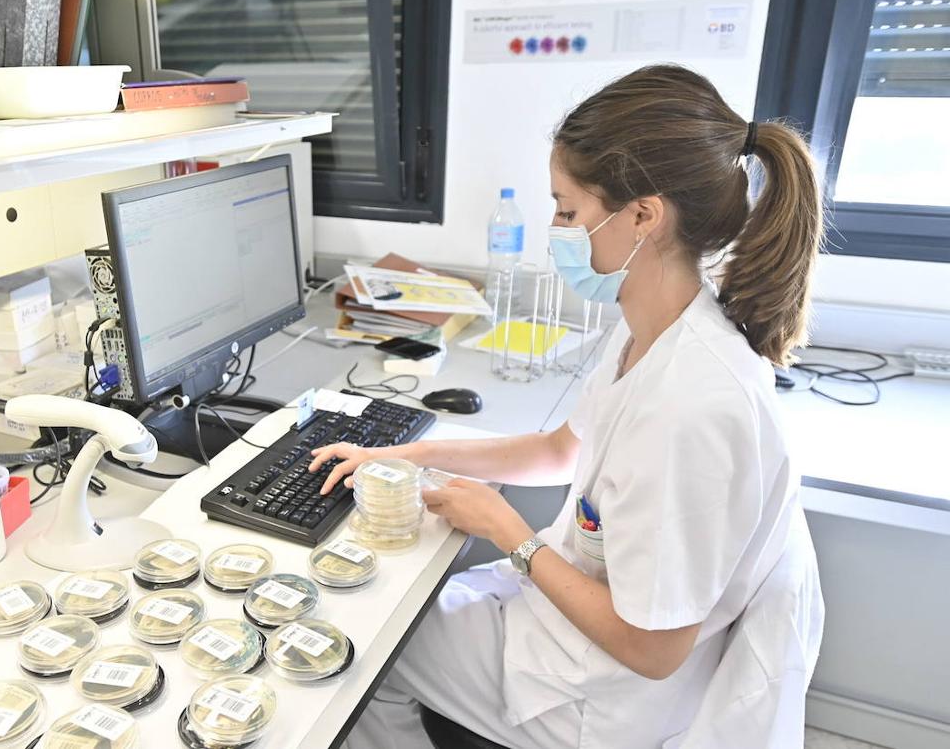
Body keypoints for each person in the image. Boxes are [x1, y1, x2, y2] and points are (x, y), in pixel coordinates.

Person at [311, 64, 825, 749]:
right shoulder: (657, 327)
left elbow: (655, 650)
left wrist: (508, 532)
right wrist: (403, 453)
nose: (554, 230)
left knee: (358, 648)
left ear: (643, 216)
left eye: (566, 210)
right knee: (392, 605)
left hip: (600, 692)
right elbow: (559, 450)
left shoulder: (692, 407)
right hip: (568, 628)